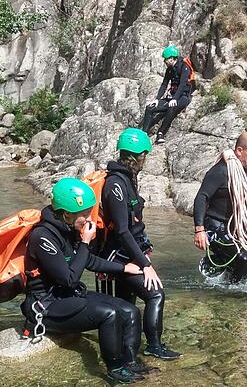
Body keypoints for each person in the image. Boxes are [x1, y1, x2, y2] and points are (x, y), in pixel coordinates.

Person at [22, 178, 152, 383]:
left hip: (67, 295)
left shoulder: (68, 229)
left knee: (130, 310)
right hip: (46, 304)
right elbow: (69, 279)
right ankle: (115, 368)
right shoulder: (42, 237)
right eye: (84, 214)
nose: (89, 219)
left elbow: (88, 260)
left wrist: (124, 267)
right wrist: (85, 241)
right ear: (66, 214)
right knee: (108, 315)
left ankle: (130, 362)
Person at [99, 128, 181, 360]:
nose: (146, 159)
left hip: (129, 252)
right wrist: (144, 264)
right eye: (145, 155)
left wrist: (142, 252)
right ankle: (154, 346)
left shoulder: (128, 179)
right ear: (136, 157)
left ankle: (128, 348)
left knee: (128, 303)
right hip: (119, 255)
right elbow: (123, 230)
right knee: (156, 294)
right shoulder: (116, 184)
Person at [192, 132, 247, 283]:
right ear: (240, 151)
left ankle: (223, 268)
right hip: (215, 226)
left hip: (234, 226)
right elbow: (201, 197)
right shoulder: (220, 171)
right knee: (242, 257)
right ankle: (235, 293)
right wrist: (199, 230)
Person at [140, 46, 194, 145]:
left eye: (166, 59)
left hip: (183, 96)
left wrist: (175, 98)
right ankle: (144, 132)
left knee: (171, 107)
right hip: (173, 96)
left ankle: (161, 133)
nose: (165, 61)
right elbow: (164, 84)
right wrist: (157, 99)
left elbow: (182, 84)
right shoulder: (169, 69)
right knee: (150, 108)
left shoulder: (184, 66)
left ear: (172, 58)